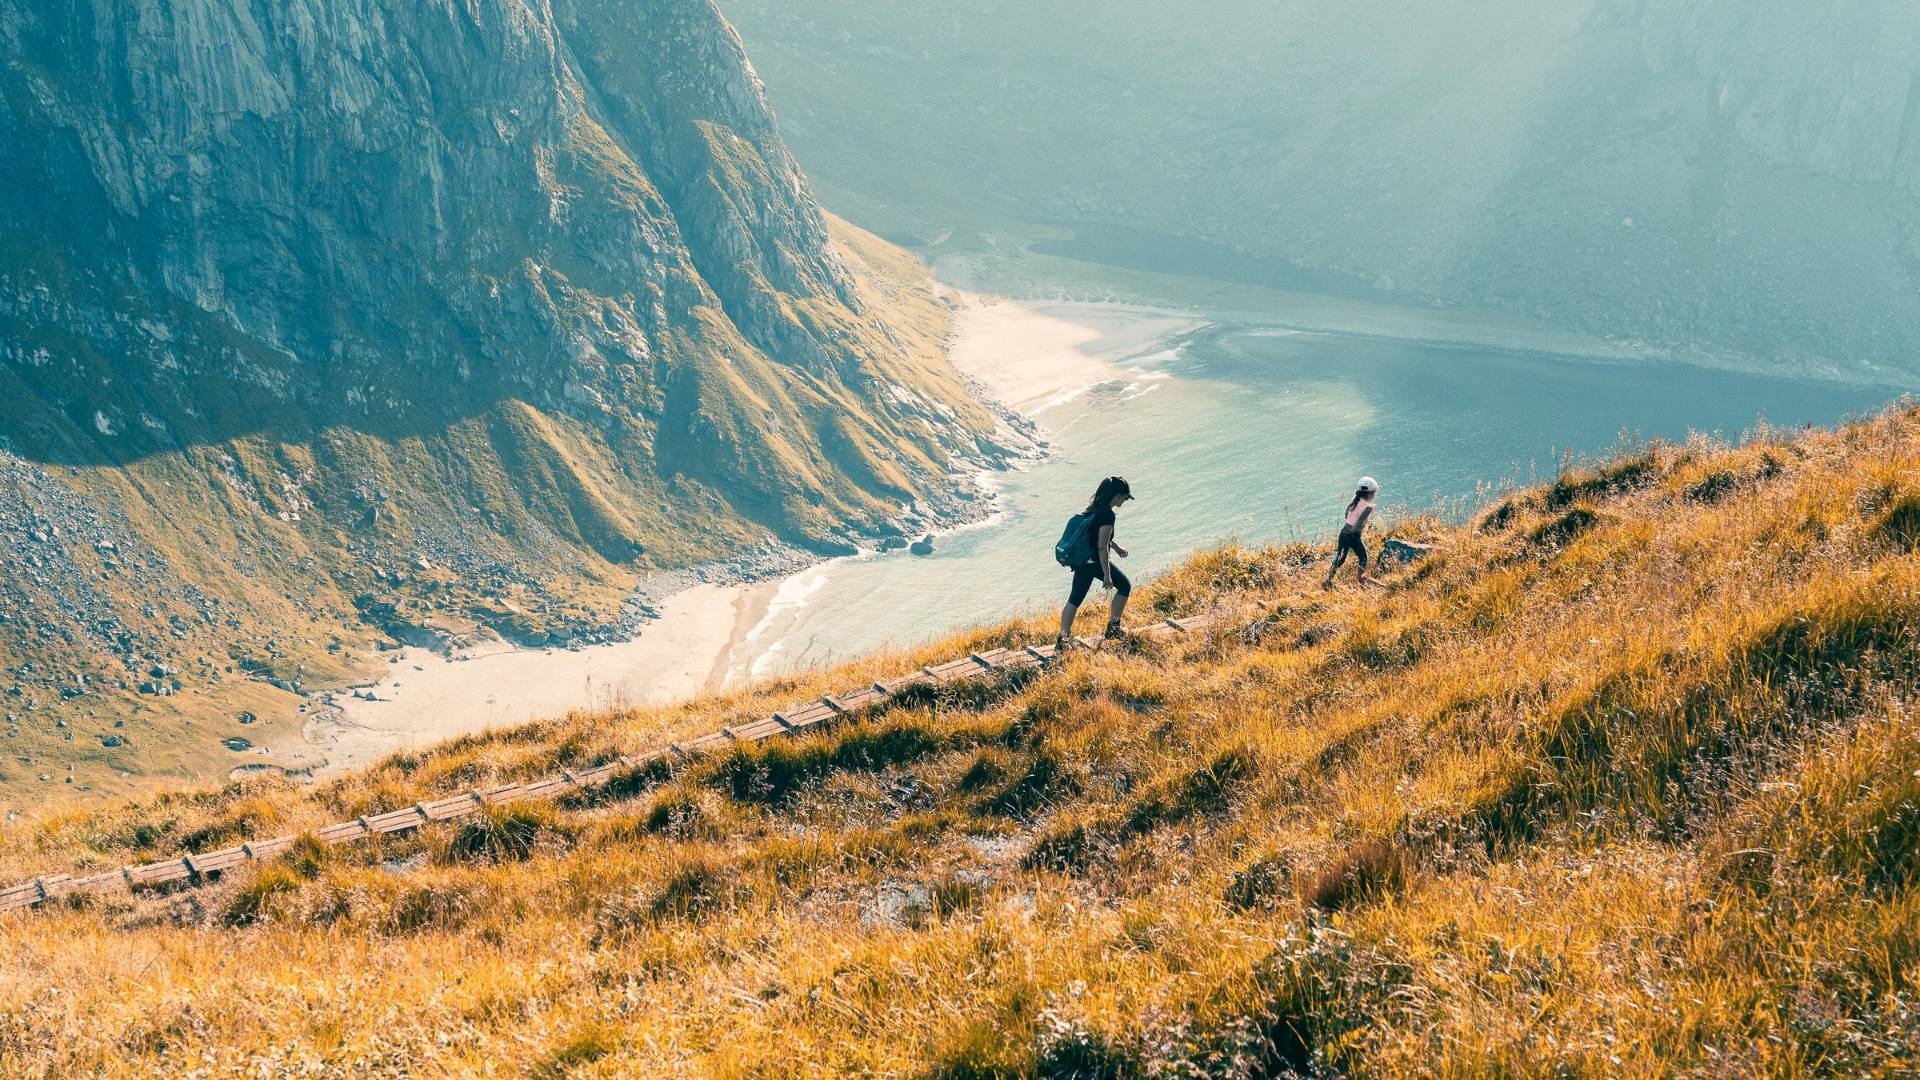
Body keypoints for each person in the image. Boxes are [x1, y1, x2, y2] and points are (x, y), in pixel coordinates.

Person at [1059, 476, 1133, 649]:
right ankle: (1114, 628)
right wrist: (1107, 575)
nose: (1125, 500)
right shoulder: (1108, 515)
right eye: (1125, 497)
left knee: (1075, 599)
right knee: (1124, 586)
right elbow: (1101, 546)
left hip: (1082, 561)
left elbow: (1098, 537)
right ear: (1117, 495)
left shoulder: (1093, 509)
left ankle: (1063, 639)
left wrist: (1115, 547)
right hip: (1094, 561)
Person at [1324, 476, 1379, 588]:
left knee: (1340, 558)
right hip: (1353, 535)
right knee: (1363, 557)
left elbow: (1346, 516)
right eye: (1374, 492)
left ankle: (1328, 581)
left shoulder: (1355, 500)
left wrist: (1351, 530)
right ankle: (1360, 580)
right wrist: (1356, 531)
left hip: (1344, 533)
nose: (1374, 495)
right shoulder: (1369, 507)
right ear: (1370, 494)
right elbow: (1359, 523)